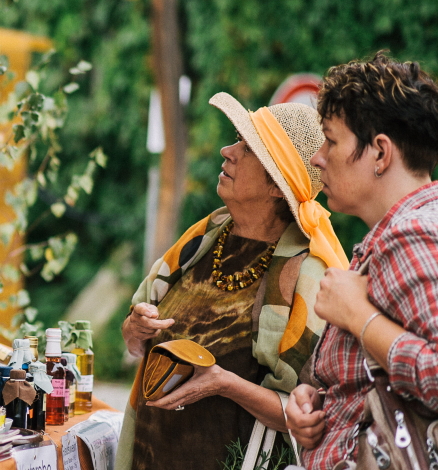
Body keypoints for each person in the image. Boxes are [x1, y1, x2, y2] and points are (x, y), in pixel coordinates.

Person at [115, 92, 348, 469]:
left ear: (277, 186)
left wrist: (222, 382)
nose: (227, 150)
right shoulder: (204, 236)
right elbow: (133, 343)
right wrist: (135, 326)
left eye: (247, 148)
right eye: (236, 139)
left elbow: (307, 413)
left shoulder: (306, 273)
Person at [284, 52, 438, 470]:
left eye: (331, 140)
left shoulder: (418, 236)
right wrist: (315, 397)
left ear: (380, 153)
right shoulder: (426, 227)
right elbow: (375, 375)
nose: (317, 156)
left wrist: (358, 315)